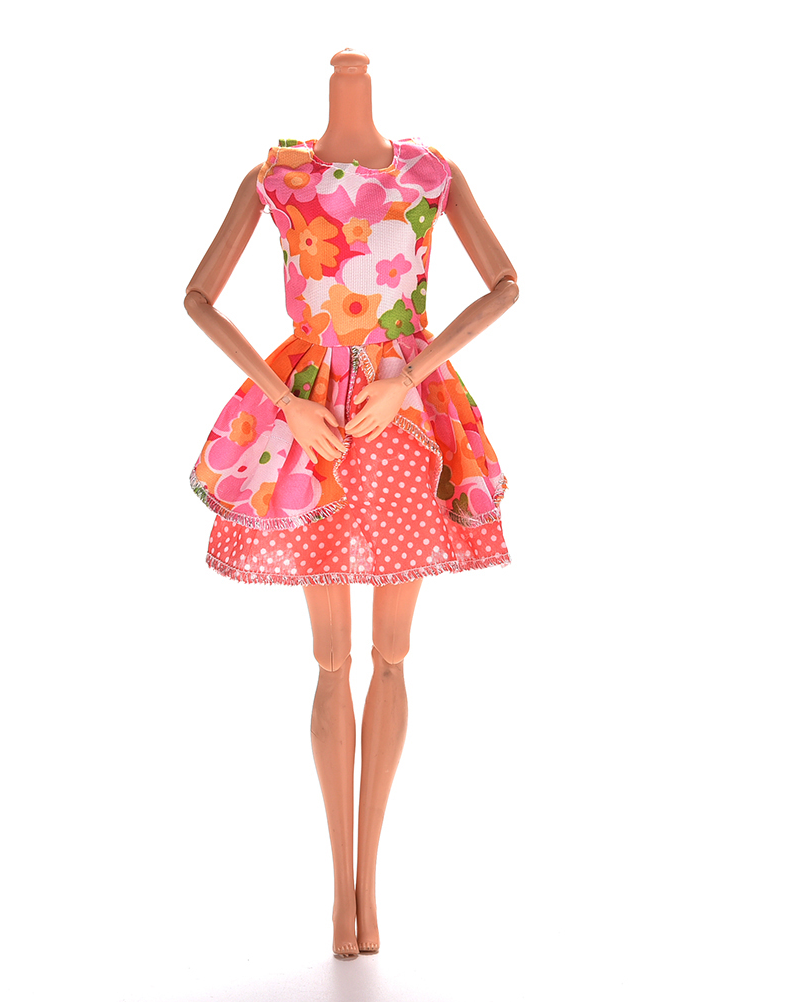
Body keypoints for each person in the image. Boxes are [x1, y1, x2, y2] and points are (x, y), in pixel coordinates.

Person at [184, 49, 519, 959]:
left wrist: (413, 372)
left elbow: (505, 283)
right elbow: (199, 298)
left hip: (403, 417)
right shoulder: (280, 178)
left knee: (392, 655)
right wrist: (285, 399)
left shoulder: (429, 173)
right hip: (316, 424)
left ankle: (373, 884)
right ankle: (343, 896)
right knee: (331, 660)